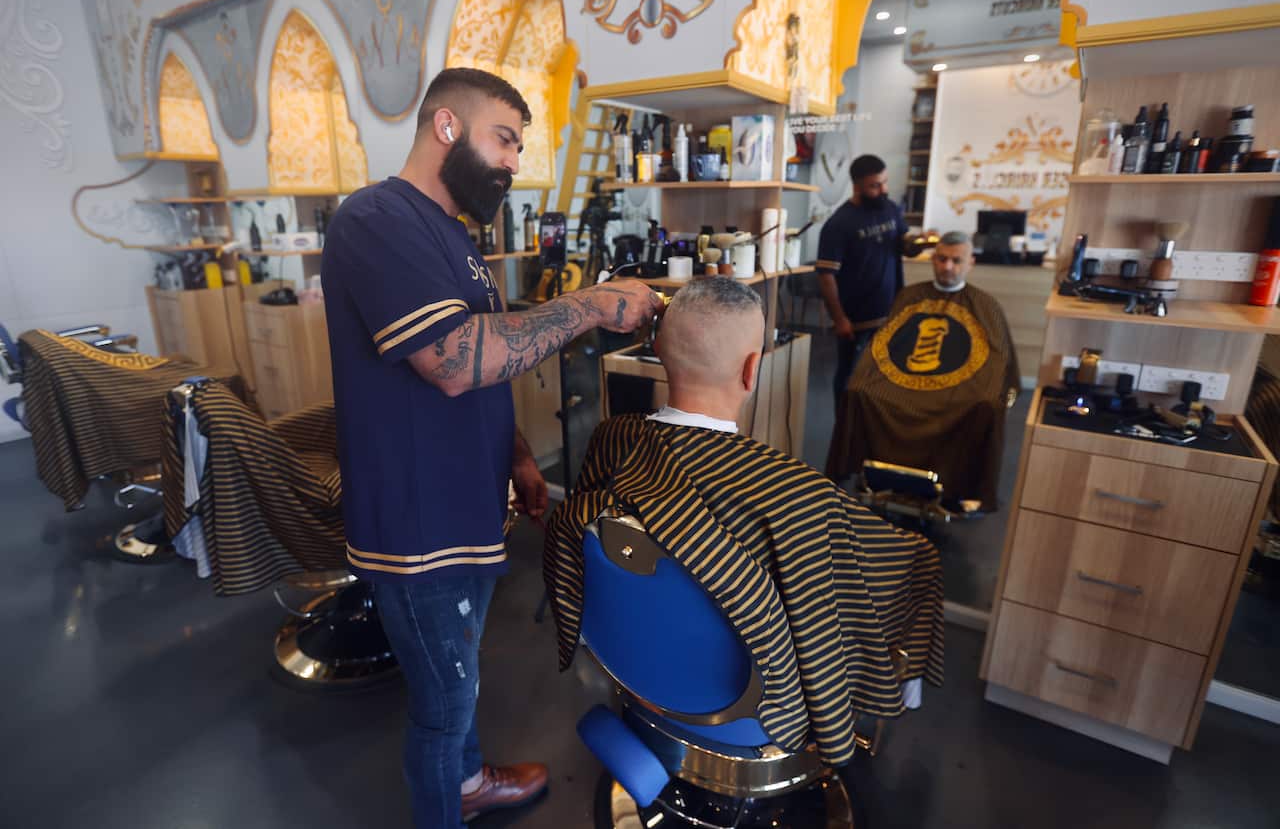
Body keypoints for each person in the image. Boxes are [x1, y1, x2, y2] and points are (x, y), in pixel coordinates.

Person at [321, 68, 662, 829]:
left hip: (465, 498)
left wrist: (513, 456)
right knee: (443, 703)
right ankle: (450, 800)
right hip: (417, 521)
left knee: (461, 678)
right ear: (446, 126)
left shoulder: (453, 236)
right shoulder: (377, 219)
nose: (513, 161)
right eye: (503, 139)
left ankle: (470, 781)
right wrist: (587, 306)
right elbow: (449, 359)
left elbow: (486, 362)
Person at [544, 277, 944, 767]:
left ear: (659, 351)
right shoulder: (795, 495)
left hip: (636, 670)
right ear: (752, 370)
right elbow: (899, 574)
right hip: (747, 715)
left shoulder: (614, 438)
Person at [825, 231, 1020, 511]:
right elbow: (883, 345)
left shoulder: (986, 305)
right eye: (941, 259)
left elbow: (998, 360)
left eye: (956, 260)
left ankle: (963, 487)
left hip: (958, 391)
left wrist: (988, 391)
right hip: (904, 383)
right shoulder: (910, 296)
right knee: (859, 391)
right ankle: (869, 474)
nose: (947, 267)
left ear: (971, 263)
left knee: (986, 405)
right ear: (933, 259)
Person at [816, 154, 921, 409]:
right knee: (850, 376)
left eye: (884, 182)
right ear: (857, 186)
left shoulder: (891, 209)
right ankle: (844, 426)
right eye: (875, 185)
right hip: (856, 317)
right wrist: (839, 318)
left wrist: (918, 244)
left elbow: (903, 245)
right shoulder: (838, 224)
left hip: (891, 309)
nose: (883, 189)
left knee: (886, 373)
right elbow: (826, 276)